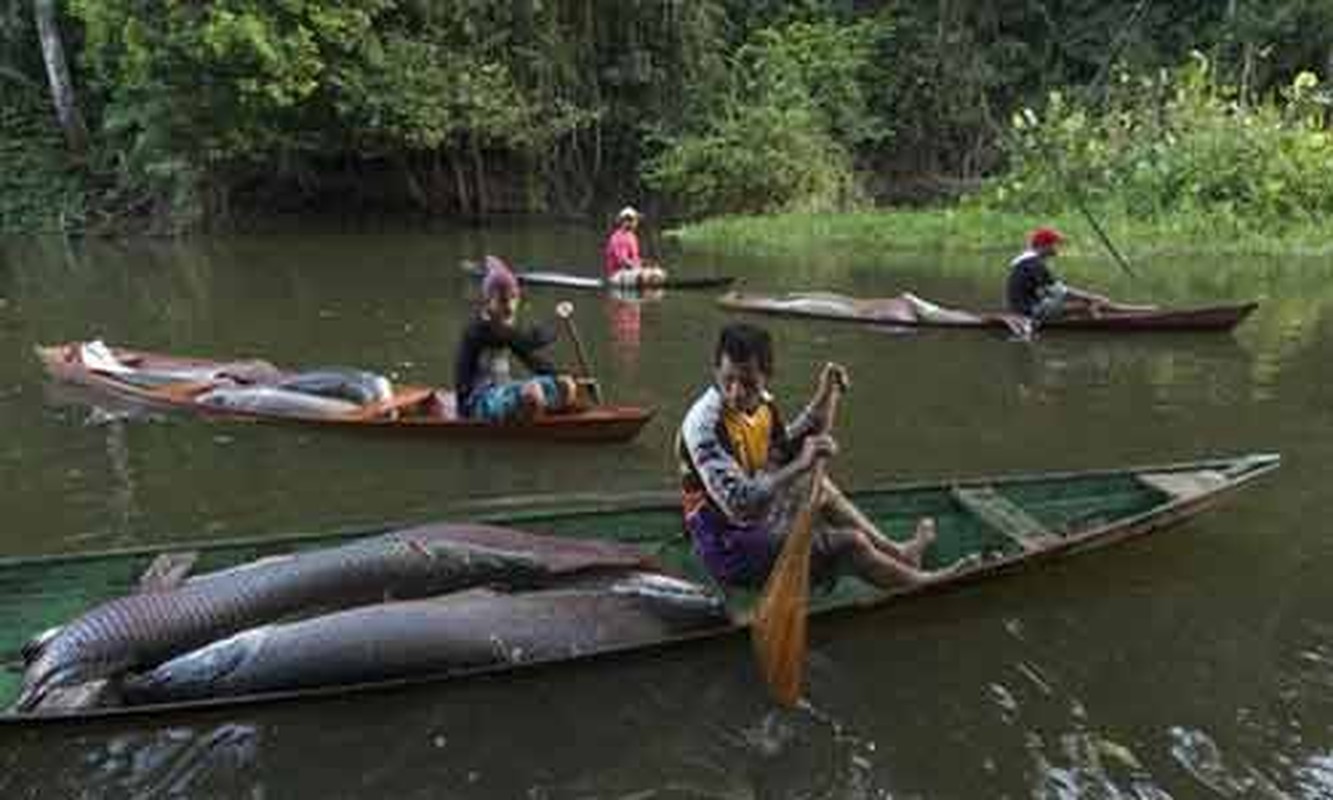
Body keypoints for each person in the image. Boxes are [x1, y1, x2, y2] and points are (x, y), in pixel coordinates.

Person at [677, 323, 973, 590]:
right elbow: (739, 505)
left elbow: (782, 449)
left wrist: (823, 398)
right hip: (726, 545)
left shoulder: (763, 405)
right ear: (716, 370)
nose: (736, 393)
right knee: (849, 543)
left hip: (752, 522)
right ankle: (921, 584)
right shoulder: (705, 426)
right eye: (727, 380)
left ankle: (896, 552)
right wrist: (801, 464)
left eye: (748, 383)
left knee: (814, 484)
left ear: (766, 376)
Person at [453, 256, 581, 422]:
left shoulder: (504, 328)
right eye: (503, 300)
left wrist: (562, 376)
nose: (510, 307)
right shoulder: (481, 328)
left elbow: (531, 359)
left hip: (501, 390)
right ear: (488, 301)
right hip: (475, 403)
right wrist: (557, 319)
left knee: (566, 385)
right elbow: (531, 341)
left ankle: (541, 413)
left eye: (513, 298)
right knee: (532, 393)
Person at [1006, 227, 1153, 327]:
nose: (1057, 248)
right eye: (1055, 245)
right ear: (1044, 245)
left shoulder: (1026, 261)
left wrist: (1090, 298)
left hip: (1025, 306)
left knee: (1089, 302)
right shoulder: (1034, 264)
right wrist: (1091, 298)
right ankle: (1140, 312)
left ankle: (1135, 310)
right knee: (1088, 305)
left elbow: (1048, 290)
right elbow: (1062, 292)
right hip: (1029, 311)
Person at [603, 206, 667, 288]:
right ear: (625, 221)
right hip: (616, 275)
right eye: (634, 220)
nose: (636, 222)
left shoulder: (632, 236)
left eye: (636, 220)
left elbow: (634, 259)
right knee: (647, 275)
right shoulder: (618, 238)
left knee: (659, 273)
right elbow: (623, 262)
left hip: (630, 272)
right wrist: (641, 267)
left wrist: (646, 265)